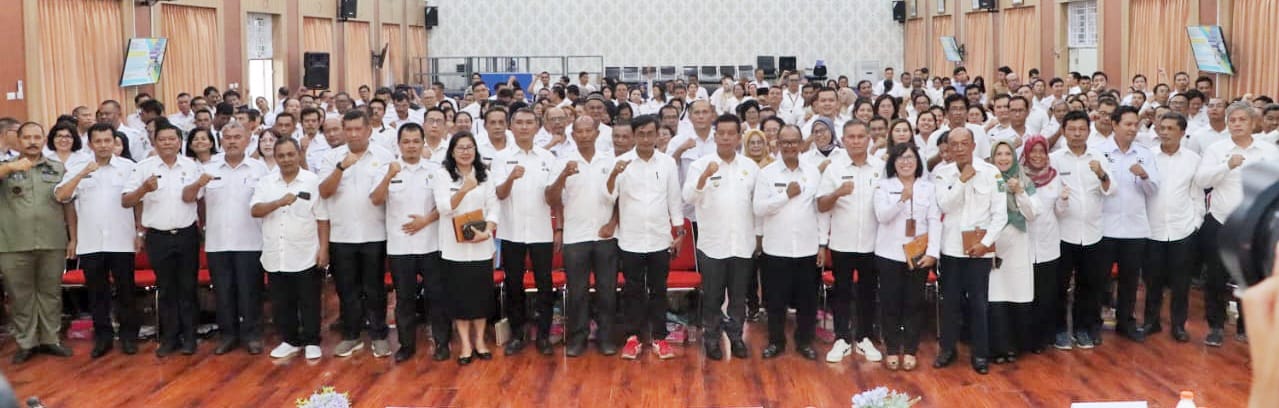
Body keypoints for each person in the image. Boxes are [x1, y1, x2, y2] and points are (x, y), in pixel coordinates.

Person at [1195, 102, 1279, 346]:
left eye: (1242, 120)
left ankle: (1247, 327)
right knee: (1215, 278)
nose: (1237, 124)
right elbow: (1201, 180)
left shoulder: (1268, 151)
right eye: (1232, 120)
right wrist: (1227, 165)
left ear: (1253, 123)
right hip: (1220, 221)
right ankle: (1216, 326)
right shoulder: (1216, 149)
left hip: (1255, 225)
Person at [54, 123, 140, 358]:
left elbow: (138, 202)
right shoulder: (78, 167)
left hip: (122, 240)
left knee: (126, 291)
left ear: (114, 142)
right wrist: (82, 174)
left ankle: (128, 337)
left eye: (107, 140)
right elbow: (62, 196)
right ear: (90, 144)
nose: (103, 145)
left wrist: (139, 232)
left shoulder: (129, 167)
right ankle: (103, 338)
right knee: (96, 293)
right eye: (98, 141)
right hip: (90, 241)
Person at [317, 110, 396, 358]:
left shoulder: (383, 156)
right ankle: (351, 335)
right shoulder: (332, 158)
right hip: (341, 236)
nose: (353, 134)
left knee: (375, 289)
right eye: (348, 129)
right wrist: (341, 167)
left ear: (368, 130)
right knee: (346, 289)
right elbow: (324, 192)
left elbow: (382, 195)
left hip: (375, 233)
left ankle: (379, 335)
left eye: (357, 129)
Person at [369, 123, 449, 362]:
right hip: (400, 246)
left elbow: (445, 205)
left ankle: (442, 343)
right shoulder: (387, 169)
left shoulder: (436, 170)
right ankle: (406, 345)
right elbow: (375, 199)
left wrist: (425, 221)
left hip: (431, 244)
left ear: (423, 143)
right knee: (404, 299)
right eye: (406, 141)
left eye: (416, 141)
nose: (411, 146)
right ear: (399, 144)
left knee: (437, 297)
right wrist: (388, 177)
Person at [932, 126, 1008, 375]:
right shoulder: (942, 174)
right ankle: (947, 350)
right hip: (952, 249)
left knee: (979, 304)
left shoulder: (991, 172)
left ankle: (980, 354)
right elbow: (944, 205)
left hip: (980, 250)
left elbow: (1000, 215)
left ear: (974, 146)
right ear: (948, 148)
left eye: (964, 143)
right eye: (954, 144)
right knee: (950, 303)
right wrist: (962, 180)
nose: (959, 148)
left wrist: (985, 243)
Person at [122, 122, 202, 357]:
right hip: (157, 237)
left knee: (188, 288)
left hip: (187, 234)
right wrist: (143, 189)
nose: (167, 143)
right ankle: (169, 339)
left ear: (180, 142)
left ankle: (190, 338)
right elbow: (126, 201)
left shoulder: (192, 166)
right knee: (166, 289)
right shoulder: (143, 168)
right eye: (162, 139)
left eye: (172, 139)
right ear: (154, 142)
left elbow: (199, 199)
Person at [610, 114, 685, 360]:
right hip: (630, 239)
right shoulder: (621, 163)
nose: (645, 138)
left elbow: (674, 199)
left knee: (658, 290)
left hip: (659, 238)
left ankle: (660, 338)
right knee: (632, 290)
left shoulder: (667, 163)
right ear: (633, 136)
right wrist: (613, 175)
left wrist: (679, 231)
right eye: (640, 134)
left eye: (649, 133)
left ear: (657, 135)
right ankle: (632, 338)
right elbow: (608, 197)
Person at [682, 114, 757, 360]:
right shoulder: (700, 165)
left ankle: (736, 337)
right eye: (721, 133)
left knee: (738, 297)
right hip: (712, 244)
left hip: (742, 243)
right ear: (714, 137)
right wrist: (704, 177)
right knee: (713, 297)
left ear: (738, 137)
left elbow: (758, 204)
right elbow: (688, 197)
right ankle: (712, 339)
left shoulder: (750, 167)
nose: (726, 138)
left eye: (730, 133)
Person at [0, 122, 74, 364]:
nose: (32, 142)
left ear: (44, 140)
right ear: (18, 140)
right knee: (20, 296)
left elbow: (68, 204)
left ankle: (50, 339)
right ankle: (26, 342)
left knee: (51, 293)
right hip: (13, 242)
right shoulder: (6, 167)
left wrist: (73, 237)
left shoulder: (57, 168)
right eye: (27, 137)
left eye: (37, 137)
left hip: (52, 240)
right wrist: (10, 167)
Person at [548, 115, 620, 357]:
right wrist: (562, 176)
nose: (585, 135)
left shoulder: (609, 160)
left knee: (607, 291)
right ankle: (577, 338)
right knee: (577, 292)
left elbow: (620, 197)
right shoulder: (563, 161)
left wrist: (613, 223)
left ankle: (606, 338)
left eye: (589, 131)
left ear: (597, 134)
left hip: (605, 236)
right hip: (575, 236)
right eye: (580, 131)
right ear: (573, 135)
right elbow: (550, 198)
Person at [252, 137, 329, 361]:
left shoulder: (312, 181)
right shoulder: (266, 182)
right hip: (276, 252)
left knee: (309, 300)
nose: (286, 159)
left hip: (305, 252)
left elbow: (322, 219)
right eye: (281, 156)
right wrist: (278, 202)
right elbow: (255, 210)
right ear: (275, 158)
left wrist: (324, 249)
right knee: (281, 301)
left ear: (298, 155)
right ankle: (290, 340)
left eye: (290, 154)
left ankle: (312, 341)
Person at [754, 125, 826, 360]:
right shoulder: (767, 173)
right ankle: (776, 342)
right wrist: (785, 195)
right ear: (777, 144)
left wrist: (822, 244)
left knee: (808, 301)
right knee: (775, 301)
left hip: (807, 248)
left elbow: (820, 211)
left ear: (801, 144)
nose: (789, 146)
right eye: (784, 142)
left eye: (794, 142)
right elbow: (759, 208)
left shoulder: (813, 172)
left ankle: (804, 342)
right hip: (776, 248)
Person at [817, 120, 885, 364]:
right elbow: (821, 206)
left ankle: (865, 337)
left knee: (868, 292)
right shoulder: (833, 169)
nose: (856, 141)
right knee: (842, 292)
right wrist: (837, 193)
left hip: (873, 243)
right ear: (843, 140)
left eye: (860, 136)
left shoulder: (881, 167)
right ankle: (842, 338)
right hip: (842, 243)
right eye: (851, 137)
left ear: (869, 139)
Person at [492, 108, 557, 356]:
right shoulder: (501, 158)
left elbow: (554, 198)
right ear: (511, 127)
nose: (524, 127)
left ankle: (544, 336)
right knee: (513, 285)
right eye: (519, 123)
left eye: (529, 122)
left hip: (541, 232)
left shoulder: (548, 158)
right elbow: (499, 194)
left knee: (545, 284)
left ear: (538, 127)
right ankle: (517, 334)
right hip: (512, 231)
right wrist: (511, 178)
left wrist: (559, 228)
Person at [432, 131, 499, 366]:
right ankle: (465, 344)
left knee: (480, 297)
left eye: (469, 147)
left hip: (481, 245)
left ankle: (479, 341)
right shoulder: (442, 175)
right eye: (460, 148)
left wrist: (487, 230)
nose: (465, 152)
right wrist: (464, 189)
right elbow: (444, 208)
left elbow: (493, 206)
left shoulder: (485, 174)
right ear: (452, 151)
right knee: (459, 298)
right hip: (454, 248)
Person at [872, 143, 940, 371]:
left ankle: (910, 349)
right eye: (900, 158)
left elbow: (934, 220)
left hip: (918, 254)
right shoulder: (883, 186)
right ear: (893, 163)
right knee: (890, 302)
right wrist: (901, 199)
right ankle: (892, 348)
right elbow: (882, 216)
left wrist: (933, 252)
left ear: (917, 161)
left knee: (914, 303)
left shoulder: (928, 188)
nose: (905, 162)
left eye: (910, 157)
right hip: (888, 253)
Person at [1050, 110, 1114, 350]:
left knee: (1089, 285)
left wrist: (1101, 173)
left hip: (1092, 232)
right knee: (1059, 286)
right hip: (1063, 233)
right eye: (1072, 129)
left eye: (1082, 129)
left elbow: (1111, 189)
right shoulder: (1055, 159)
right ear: (1063, 131)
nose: (1077, 134)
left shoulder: (1098, 156)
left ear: (1089, 131)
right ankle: (1059, 330)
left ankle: (1082, 329)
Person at [1097, 105, 1160, 343]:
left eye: (1136, 124)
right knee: (1100, 279)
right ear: (1115, 124)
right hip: (1104, 226)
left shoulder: (1144, 153)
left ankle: (1126, 322)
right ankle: (1094, 322)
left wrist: (1144, 175)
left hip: (1134, 228)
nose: (1133, 129)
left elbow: (1153, 190)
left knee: (1130, 280)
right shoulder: (1099, 152)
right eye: (1128, 124)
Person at [1144, 112, 1201, 343]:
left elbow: (1197, 194)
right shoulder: (1148, 156)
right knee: (1152, 280)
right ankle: (1151, 322)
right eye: (1162, 128)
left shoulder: (1193, 159)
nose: (1165, 132)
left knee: (1181, 283)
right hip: (1152, 229)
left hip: (1182, 229)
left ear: (1182, 132)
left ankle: (1178, 325)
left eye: (1170, 128)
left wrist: (1195, 223)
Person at [986, 141, 1041, 364]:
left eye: (1008, 153)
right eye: (998, 154)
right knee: (995, 296)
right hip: (992, 246)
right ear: (992, 158)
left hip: (1017, 245)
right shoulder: (986, 179)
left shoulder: (1025, 180)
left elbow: (1032, 214)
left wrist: (1019, 191)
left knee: (1016, 294)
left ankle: (1014, 347)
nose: (1003, 158)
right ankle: (997, 348)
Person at [1018, 136, 1063, 353]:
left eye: (1041, 151)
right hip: (1023, 244)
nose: (1037, 156)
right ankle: (1023, 339)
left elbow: (1060, 211)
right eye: (1033, 151)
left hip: (1048, 243)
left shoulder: (1055, 177)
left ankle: (1042, 338)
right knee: (1025, 294)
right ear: (1026, 154)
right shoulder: (1017, 177)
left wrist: (1064, 200)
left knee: (1045, 294)